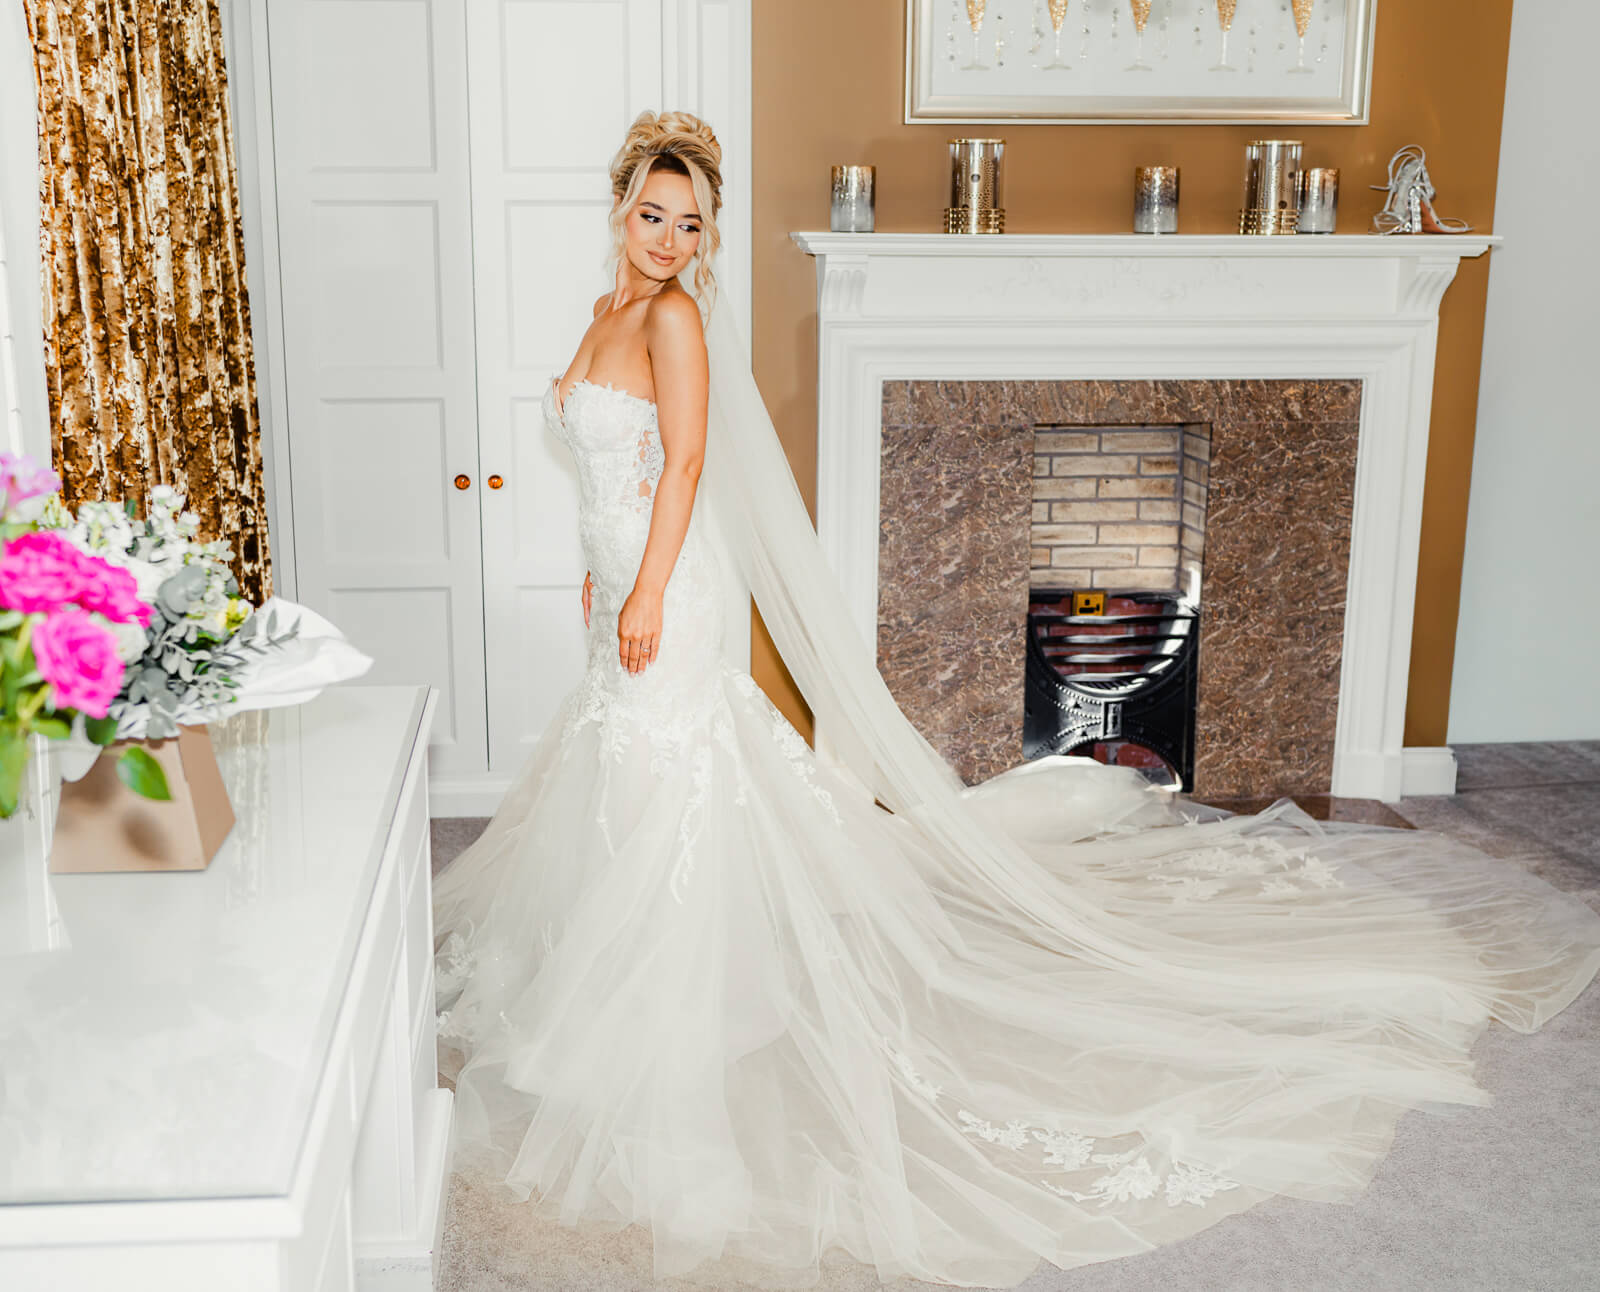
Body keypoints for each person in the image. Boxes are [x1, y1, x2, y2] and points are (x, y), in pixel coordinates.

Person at [432, 109, 1600, 1290]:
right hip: (622, 581)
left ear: (706, 233)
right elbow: (614, 464)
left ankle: (671, 1013)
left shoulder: (676, 318)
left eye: (690, 223)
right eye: (652, 215)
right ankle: (632, 979)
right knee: (629, 776)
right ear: (620, 207)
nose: (670, 239)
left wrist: (641, 587)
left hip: (664, 593)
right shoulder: (607, 315)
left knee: (667, 775)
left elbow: (684, 466)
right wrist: (600, 561)